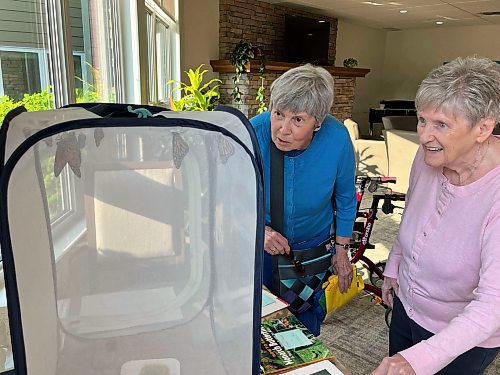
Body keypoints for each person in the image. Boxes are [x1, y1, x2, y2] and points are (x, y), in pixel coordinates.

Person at [373, 56, 500, 375]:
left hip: (462, 334)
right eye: (422, 120)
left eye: (441, 124)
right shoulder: (429, 154)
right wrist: (395, 267)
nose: (425, 135)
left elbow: (492, 307)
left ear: (483, 127)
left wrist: (417, 360)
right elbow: (413, 214)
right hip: (406, 305)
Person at [249, 64, 357, 336]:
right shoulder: (254, 132)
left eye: (298, 120)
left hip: (312, 248)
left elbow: (345, 197)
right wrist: (258, 230)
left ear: (318, 122)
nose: (283, 130)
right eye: (278, 114)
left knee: (304, 320)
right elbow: (226, 195)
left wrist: (341, 248)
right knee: (259, 319)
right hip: (263, 246)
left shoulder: (337, 138)